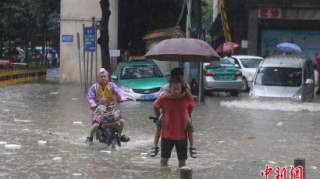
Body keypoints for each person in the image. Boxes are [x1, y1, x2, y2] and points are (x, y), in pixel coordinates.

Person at [151, 68, 196, 168]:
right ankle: (154, 146)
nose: (175, 90)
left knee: (189, 127)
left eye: (181, 76)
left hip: (181, 127)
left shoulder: (185, 87)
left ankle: (192, 147)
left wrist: (187, 113)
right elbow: (157, 103)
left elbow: (191, 103)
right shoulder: (166, 88)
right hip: (167, 122)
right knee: (159, 125)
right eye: (180, 76)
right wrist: (159, 115)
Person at [85, 68, 129, 144]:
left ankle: (119, 135)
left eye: (104, 76)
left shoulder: (112, 85)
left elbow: (119, 91)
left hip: (111, 109)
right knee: (96, 124)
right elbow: (90, 97)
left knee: (121, 121)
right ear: (98, 78)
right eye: (101, 76)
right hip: (98, 109)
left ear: (107, 77)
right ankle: (90, 137)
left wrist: (122, 97)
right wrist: (93, 104)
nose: (103, 78)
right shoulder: (94, 87)